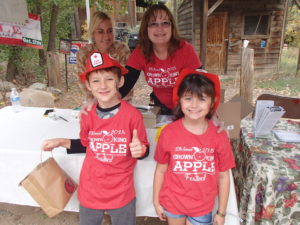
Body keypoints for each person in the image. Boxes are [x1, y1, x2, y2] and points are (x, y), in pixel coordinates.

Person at [42, 51, 149, 225]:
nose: (103, 85)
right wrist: (61, 142)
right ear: (89, 86)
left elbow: (143, 149)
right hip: (90, 191)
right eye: (96, 81)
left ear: (120, 81)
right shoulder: (87, 114)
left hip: (121, 192)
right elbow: (87, 145)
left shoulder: (133, 116)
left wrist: (141, 150)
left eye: (109, 79)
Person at [153, 68, 235, 225]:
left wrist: (221, 212)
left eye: (202, 99)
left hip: (202, 207)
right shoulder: (168, 132)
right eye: (188, 98)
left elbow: (224, 176)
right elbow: (160, 170)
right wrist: (156, 202)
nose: (194, 105)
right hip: (173, 203)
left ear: (212, 102)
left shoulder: (219, 135)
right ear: (179, 100)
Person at [119, 4, 202, 115]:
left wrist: (210, 113)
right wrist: (101, 103)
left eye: (165, 23)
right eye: (153, 24)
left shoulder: (185, 49)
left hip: (188, 109)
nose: (160, 28)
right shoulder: (140, 52)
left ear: (172, 27)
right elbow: (125, 85)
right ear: (146, 29)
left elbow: (202, 84)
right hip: (160, 108)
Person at [77, 11, 131, 101]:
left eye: (109, 31)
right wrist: (97, 108)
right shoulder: (84, 54)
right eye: (100, 32)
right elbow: (84, 85)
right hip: (94, 104)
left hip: (121, 102)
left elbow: (127, 83)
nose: (106, 36)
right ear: (93, 33)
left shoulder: (122, 50)